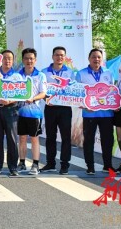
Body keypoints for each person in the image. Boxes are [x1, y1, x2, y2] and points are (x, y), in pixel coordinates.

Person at [76, 48, 115, 175]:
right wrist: (83, 105)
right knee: (89, 140)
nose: (96, 59)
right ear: (89, 59)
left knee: (108, 141)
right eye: (93, 57)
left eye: (99, 57)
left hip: (107, 113)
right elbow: (77, 94)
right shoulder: (81, 74)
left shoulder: (109, 73)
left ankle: (108, 165)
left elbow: (113, 92)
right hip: (89, 113)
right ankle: (90, 166)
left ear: (102, 59)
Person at [40, 46, 74, 175]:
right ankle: (50, 163)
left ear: (64, 57)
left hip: (65, 108)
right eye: (57, 55)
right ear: (52, 56)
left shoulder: (70, 72)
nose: (59, 57)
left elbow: (74, 90)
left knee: (66, 137)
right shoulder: (44, 72)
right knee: (50, 137)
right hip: (50, 108)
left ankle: (65, 164)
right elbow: (41, 90)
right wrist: (46, 99)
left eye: (62, 55)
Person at [16, 48, 47, 175]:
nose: (29, 61)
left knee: (34, 138)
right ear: (23, 60)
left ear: (35, 60)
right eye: (26, 58)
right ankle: (22, 163)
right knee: (22, 138)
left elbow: (43, 93)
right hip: (20, 112)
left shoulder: (40, 75)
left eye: (31, 58)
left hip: (35, 112)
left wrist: (33, 98)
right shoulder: (17, 75)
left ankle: (35, 164)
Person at [0, 50, 20, 176]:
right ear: (1, 60)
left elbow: (21, 95)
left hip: (11, 109)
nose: (7, 61)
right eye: (5, 58)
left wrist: (10, 101)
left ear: (13, 61)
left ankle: (13, 167)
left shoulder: (17, 77)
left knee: (12, 138)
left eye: (10, 58)